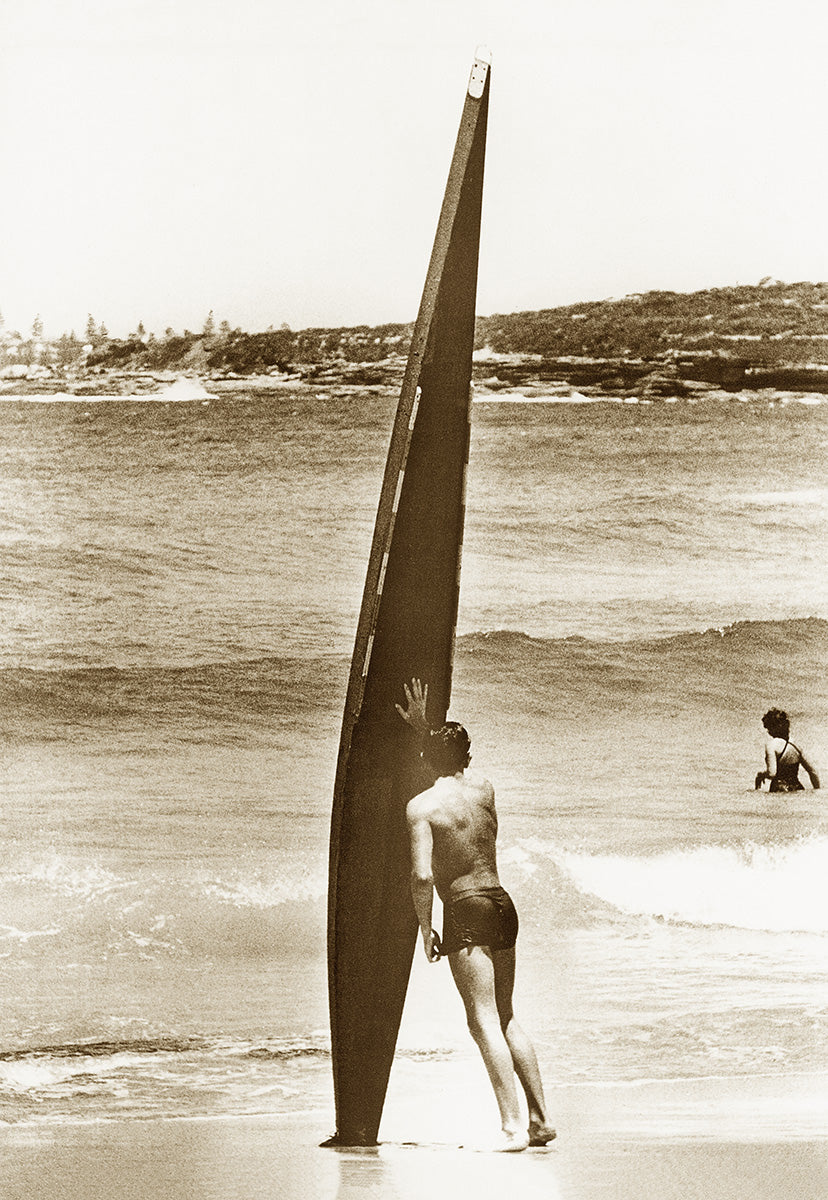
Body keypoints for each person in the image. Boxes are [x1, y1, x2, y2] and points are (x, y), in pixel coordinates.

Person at [395, 678, 555, 1152]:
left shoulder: (422, 808)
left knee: (480, 1020)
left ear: (427, 758)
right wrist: (427, 731)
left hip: (466, 909)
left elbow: (422, 875)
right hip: (502, 903)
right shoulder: (484, 789)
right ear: (466, 755)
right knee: (506, 1016)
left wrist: (426, 927)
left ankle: (511, 1128)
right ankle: (540, 1121)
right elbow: (448, 764)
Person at [754, 708, 820, 792]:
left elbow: (772, 773)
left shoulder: (771, 745)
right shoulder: (796, 745)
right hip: (797, 787)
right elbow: (813, 772)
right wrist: (817, 792)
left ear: (772, 728)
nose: (768, 732)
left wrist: (761, 775)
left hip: (779, 788)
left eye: (768, 728)